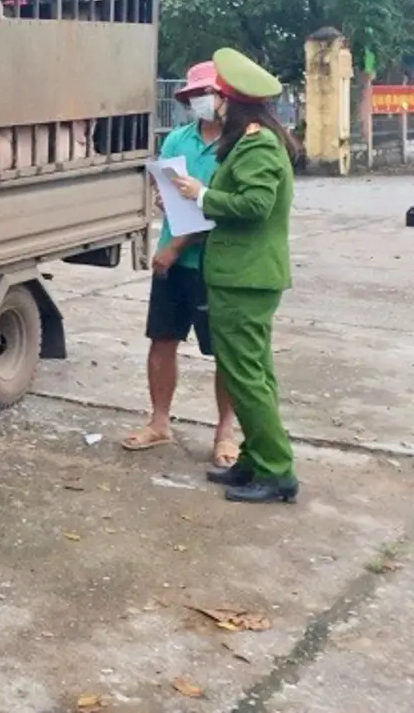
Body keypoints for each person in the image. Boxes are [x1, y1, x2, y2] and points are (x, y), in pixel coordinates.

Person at [173, 48, 299, 504]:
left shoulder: (258, 144)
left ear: (234, 102)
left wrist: (202, 194)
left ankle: (276, 470)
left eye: (219, 98)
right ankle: (256, 458)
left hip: (245, 278)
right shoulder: (253, 140)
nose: (213, 106)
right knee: (252, 373)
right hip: (242, 276)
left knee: (246, 376)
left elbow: (255, 205)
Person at [122, 62, 237, 467]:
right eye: (193, 97)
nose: (199, 103)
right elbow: (170, 191)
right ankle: (159, 421)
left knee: (225, 350)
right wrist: (164, 202)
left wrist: (174, 247)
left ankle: (225, 432)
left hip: (214, 261)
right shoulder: (178, 139)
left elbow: (220, 208)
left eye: (206, 95)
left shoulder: (237, 146)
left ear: (225, 97)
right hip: (173, 260)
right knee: (162, 339)